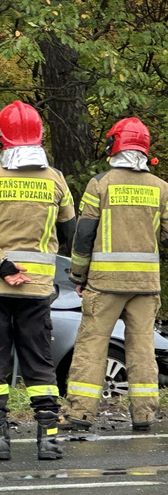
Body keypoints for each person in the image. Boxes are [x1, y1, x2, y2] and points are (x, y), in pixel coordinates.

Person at [0, 100, 76, 461]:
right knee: (39, 362)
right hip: (38, 289)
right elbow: (70, 232)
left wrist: (2, 265)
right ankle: (48, 440)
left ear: (1, 137)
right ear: (39, 136)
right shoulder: (56, 180)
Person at [63, 117, 168, 432]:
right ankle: (145, 415)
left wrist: (78, 276)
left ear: (115, 144)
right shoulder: (161, 188)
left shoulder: (100, 184)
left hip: (105, 284)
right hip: (145, 286)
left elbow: (84, 236)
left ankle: (80, 415)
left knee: (91, 345)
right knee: (142, 348)